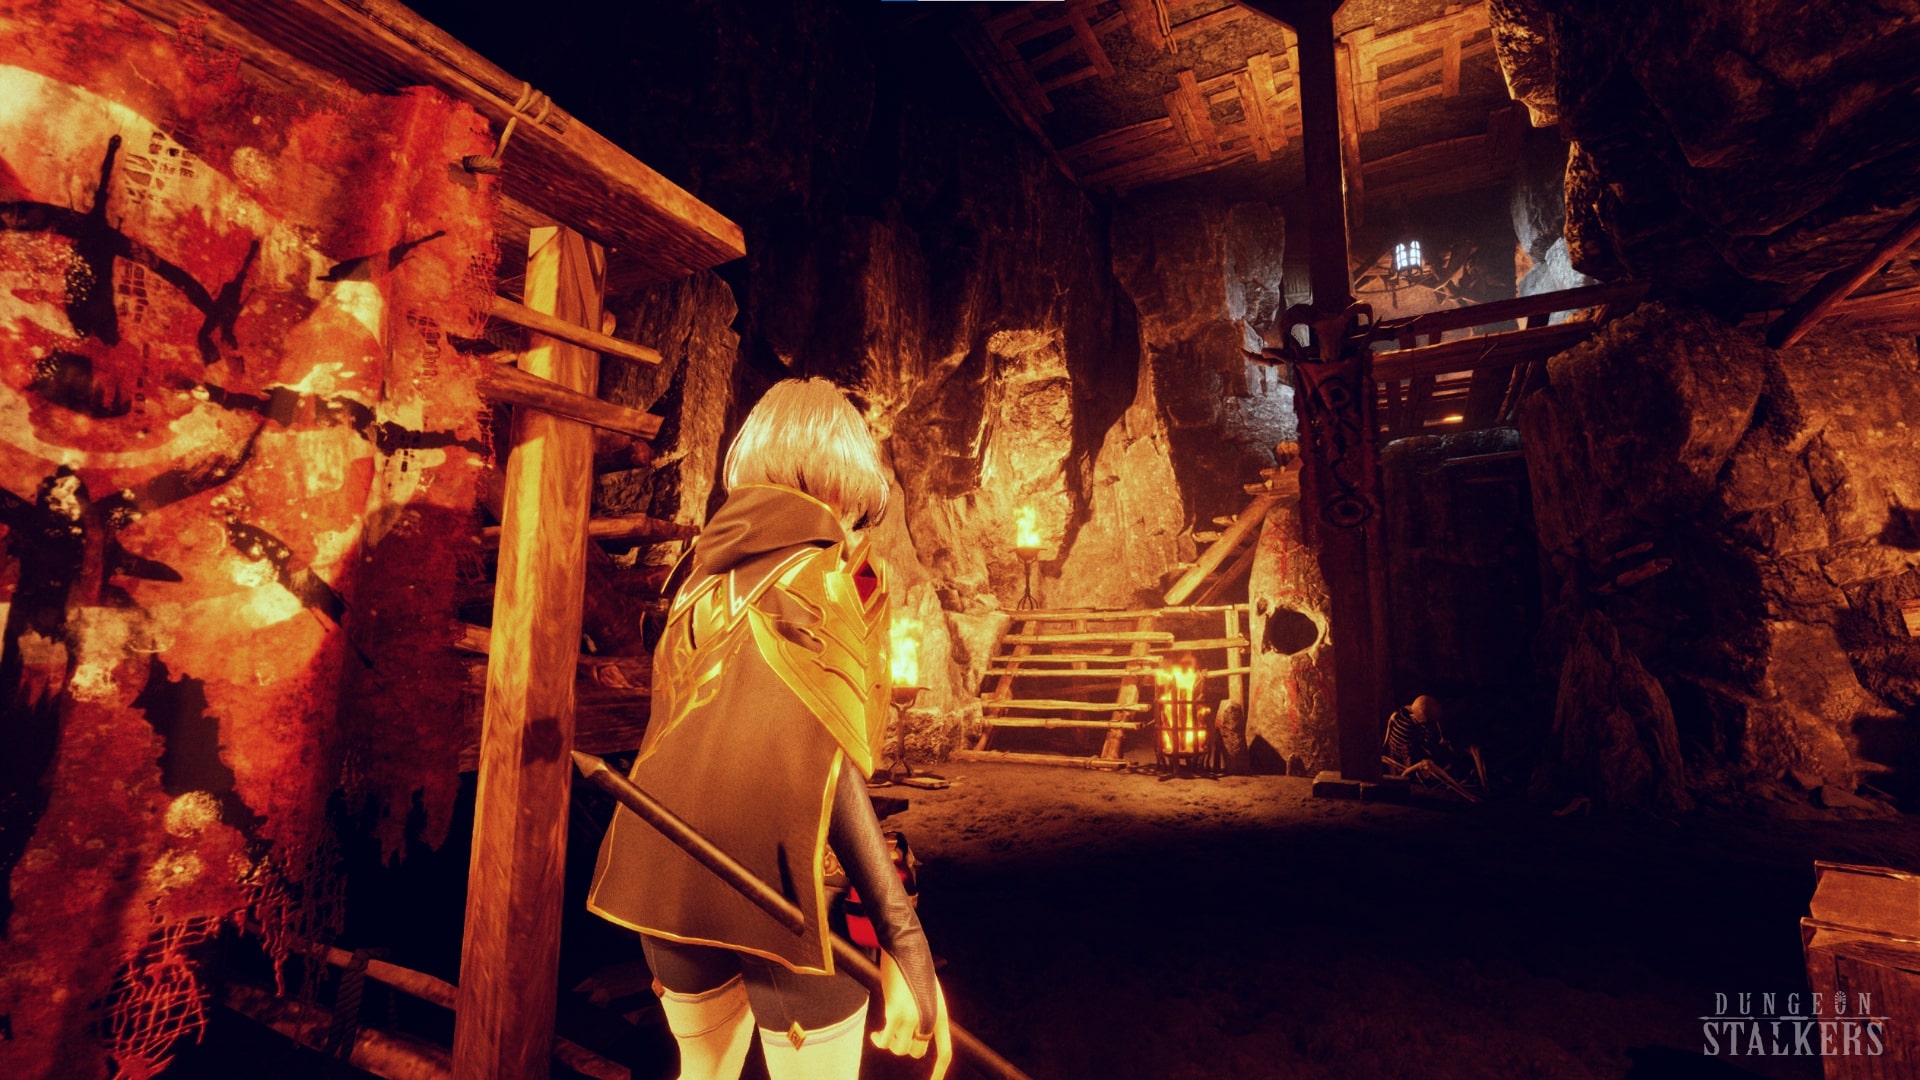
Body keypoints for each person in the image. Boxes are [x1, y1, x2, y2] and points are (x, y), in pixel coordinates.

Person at [586, 378, 950, 1080]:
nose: (856, 526)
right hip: (785, 893)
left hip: (665, 878)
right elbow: (826, 761)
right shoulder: (826, 576)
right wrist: (904, 935)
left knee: (704, 1074)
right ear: (838, 480)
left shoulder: (694, 577)